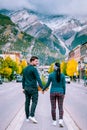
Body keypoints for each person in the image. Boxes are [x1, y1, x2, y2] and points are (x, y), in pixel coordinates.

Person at [42, 62, 66, 127]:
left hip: (52, 92)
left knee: (53, 107)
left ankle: (54, 121)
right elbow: (64, 86)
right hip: (61, 92)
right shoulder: (63, 75)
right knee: (60, 107)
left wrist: (43, 89)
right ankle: (60, 120)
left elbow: (47, 84)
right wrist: (64, 93)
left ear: (54, 67)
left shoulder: (51, 75)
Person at [22, 56, 43, 123]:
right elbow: (38, 79)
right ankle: (32, 115)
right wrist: (42, 88)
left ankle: (27, 117)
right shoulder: (34, 69)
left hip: (26, 88)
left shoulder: (25, 69)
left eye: (37, 61)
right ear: (32, 61)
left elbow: (23, 79)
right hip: (33, 88)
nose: (37, 62)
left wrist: (23, 87)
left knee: (27, 102)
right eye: (36, 61)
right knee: (34, 101)